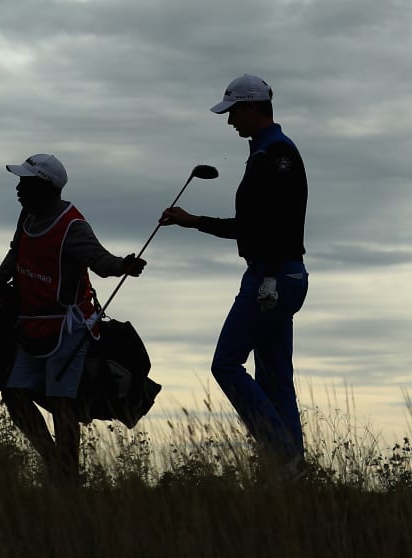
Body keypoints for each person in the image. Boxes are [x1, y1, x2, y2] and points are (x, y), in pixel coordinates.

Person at [160, 74, 310, 481]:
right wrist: (192, 223)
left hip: (273, 276)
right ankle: (293, 472)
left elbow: (266, 226)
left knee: (226, 363)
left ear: (251, 108)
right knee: (276, 378)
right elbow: (257, 225)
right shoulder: (267, 152)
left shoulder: (276, 155)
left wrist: (196, 224)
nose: (230, 122)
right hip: (282, 275)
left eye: (233, 113)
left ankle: (281, 455)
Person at [0, 153, 146, 483]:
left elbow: (100, 261)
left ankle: (67, 476)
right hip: (32, 325)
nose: (17, 187)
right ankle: (56, 463)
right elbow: (14, 256)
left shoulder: (73, 225)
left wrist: (124, 266)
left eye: (24, 181)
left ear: (45, 186)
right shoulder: (27, 215)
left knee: (62, 401)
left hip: (68, 328)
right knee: (14, 395)